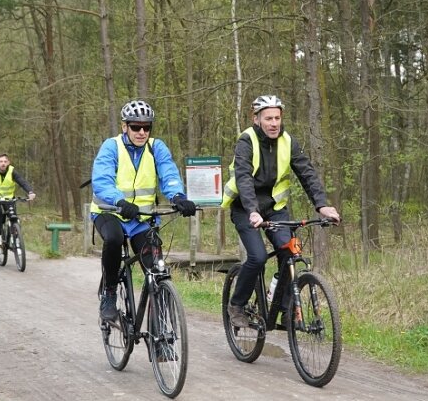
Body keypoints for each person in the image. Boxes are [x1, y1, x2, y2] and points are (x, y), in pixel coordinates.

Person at [222, 95, 341, 328]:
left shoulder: (288, 141)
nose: (274, 123)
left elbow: (307, 173)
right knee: (256, 257)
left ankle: (285, 311)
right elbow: (244, 178)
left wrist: (322, 205)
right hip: (245, 209)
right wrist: (253, 211)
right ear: (256, 119)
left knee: (289, 253)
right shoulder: (246, 141)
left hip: (275, 209)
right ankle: (236, 305)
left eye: (277, 117)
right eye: (268, 118)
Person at [90, 99, 196, 328]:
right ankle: (109, 293)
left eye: (146, 127)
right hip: (109, 211)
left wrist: (178, 197)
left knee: (155, 266)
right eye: (135, 126)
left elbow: (168, 174)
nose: (141, 132)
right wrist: (119, 200)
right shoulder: (111, 146)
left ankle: (162, 330)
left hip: (141, 218)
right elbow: (102, 180)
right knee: (114, 239)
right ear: (124, 126)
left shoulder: (157, 147)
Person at [0, 153, 36, 247]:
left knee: (13, 216)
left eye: (5, 161)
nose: (3, 163)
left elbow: (21, 181)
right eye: (1, 161)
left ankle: (15, 237)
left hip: (8, 197)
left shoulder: (12, 171)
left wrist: (30, 192)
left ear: (8, 163)